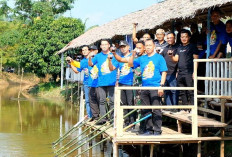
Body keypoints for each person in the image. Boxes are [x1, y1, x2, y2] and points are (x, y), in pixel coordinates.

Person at [128, 39, 167, 135]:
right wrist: (132, 55)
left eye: (150, 45)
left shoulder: (159, 58)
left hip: (155, 86)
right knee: (145, 109)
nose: (148, 47)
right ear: (144, 48)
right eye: (147, 45)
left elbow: (164, 72)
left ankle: (157, 130)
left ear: (154, 46)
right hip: (144, 87)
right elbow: (130, 64)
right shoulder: (142, 58)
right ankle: (149, 129)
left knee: (156, 109)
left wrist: (161, 86)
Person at [169, 29, 198, 112]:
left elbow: (196, 60)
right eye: (182, 37)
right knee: (182, 92)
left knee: (191, 91)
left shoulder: (192, 46)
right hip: (180, 73)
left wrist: (194, 72)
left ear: (189, 37)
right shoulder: (179, 47)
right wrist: (171, 56)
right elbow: (176, 59)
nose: (184, 38)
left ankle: (193, 109)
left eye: (185, 37)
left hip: (189, 72)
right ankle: (185, 109)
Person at [88, 39, 117, 125]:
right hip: (101, 82)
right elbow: (90, 64)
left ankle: (112, 119)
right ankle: (103, 118)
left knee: (112, 101)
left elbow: (115, 67)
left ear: (109, 45)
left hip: (111, 82)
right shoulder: (98, 56)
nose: (104, 46)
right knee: (102, 101)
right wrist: (90, 57)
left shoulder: (113, 55)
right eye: (102, 45)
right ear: (100, 46)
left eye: (105, 44)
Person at [108, 40, 135, 129]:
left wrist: (114, 54)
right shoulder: (119, 58)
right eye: (121, 47)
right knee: (123, 104)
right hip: (121, 83)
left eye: (124, 47)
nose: (123, 49)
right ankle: (126, 121)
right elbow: (112, 68)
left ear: (128, 47)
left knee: (130, 103)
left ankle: (132, 122)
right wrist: (109, 60)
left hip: (131, 83)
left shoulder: (132, 56)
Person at [70, 45, 92, 119]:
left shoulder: (94, 58)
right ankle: (89, 116)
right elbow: (76, 71)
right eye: (83, 50)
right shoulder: (82, 61)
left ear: (89, 50)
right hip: (86, 82)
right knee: (88, 100)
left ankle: (96, 116)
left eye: (85, 50)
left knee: (95, 100)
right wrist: (71, 64)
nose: (84, 51)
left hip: (95, 82)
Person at [161, 32, 179, 108]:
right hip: (165, 73)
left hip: (174, 73)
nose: (169, 39)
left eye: (171, 38)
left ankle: (175, 107)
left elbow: (178, 60)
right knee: (166, 91)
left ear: (174, 38)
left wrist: (178, 71)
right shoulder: (165, 49)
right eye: (168, 38)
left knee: (174, 91)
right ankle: (169, 107)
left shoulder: (178, 47)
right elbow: (160, 58)